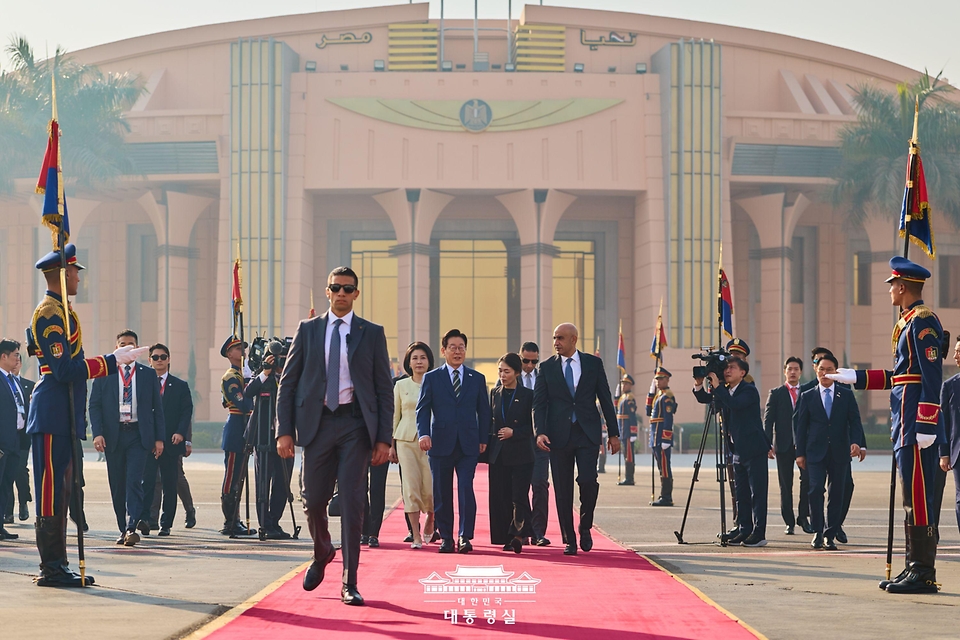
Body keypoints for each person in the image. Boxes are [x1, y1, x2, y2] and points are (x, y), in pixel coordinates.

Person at [277, 266, 393, 606]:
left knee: (354, 502)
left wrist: (383, 439)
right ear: (327, 292)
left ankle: (350, 582)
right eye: (336, 288)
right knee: (313, 500)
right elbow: (288, 384)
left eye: (348, 288)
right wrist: (284, 431)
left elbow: (384, 390)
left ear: (357, 294)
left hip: (356, 427)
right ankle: (323, 549)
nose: (341, 293)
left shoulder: (371, 333)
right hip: (318, 426)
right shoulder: (308, 330)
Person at [27, 244, 143, 586]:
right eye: (75, 271)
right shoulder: (49, 314)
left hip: (63, 413)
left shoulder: (62, 311)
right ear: (62, 275)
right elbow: (63, 369)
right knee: (50, 490)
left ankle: (59, 564)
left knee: (63, 491)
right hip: (51, 411)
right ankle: (50, 567)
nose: (79, 276)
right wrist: (111, 361)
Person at [832, 257, 946, 594]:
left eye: (892, 285)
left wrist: (927, 422)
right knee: (911, 497)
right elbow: (899, 377)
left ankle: (923, 570)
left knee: (920, 496)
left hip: (915, 424)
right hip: (904, 421)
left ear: (903, 287)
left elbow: (931, 376)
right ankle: (914, 565)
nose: (890, 291)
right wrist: (854, 377)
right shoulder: (907, 323)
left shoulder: (923, 323)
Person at [534, 323, 620, 556]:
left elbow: (604, 397)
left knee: (588, 481)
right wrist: (539, 431)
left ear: (574, 339)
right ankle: (569, 539)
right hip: (558, 436)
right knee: (562, 489)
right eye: (554, 338)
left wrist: (614, 433)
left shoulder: (593, 364)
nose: (556, 343)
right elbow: (539, 404)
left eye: (560, 338)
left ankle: (585, 524)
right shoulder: (546, 368)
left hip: (587, 433)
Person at [417, 329, 490, 555]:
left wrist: (483, 438)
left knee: (466, 489)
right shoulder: (432, 377)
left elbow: (484, 411)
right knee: (442, 491)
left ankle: (465, 536)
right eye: (453, 347)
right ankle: (447, 537)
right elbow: (423, 409)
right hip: (439, 443)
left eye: (461, 347)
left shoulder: (476, 378)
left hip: (469, 443)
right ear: (444, 350)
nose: (457, 352)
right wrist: (423, 434)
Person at [89, 330, 165, 546]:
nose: (127, 347)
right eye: (122, 344)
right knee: (117, 484)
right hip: (114, 436)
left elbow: (156, 409)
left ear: (138, 349)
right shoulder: (105, 374)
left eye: (131, 344)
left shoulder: (148, 374)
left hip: (138, 436)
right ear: (116, 349)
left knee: (134, 481)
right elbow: (94, 405)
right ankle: (122, 527)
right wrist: (98, 433)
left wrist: (159, 438)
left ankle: (132, 527)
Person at [694, 358, 772, 547]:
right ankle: (744, 529)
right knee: (742, 493)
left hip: (754, 449)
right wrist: (699, 384)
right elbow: (707, 400)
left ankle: (759, 533)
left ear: (742, 373)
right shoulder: (726, 390)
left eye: (732, 368)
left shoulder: (748, 390)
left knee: (757, 494)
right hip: (737, 450)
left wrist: (718, 385)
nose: (727, 370)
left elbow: (734, 404)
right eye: (726, 368)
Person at [795, 354, 865, 550]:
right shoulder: (807, 396)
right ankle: (817, 531)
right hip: (814, 452)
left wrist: (856, 443)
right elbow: (801, 427)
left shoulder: (846, 394)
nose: (825, 373)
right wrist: (799, 453)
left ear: (836, 372)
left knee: (837, 494)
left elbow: (855, 422)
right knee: (815, 489)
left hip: (840, 451)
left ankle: (830, 534)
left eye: (829, 370)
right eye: (821, 369)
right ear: (816, 371)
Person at [140, 343, 193, 537]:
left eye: (163, 357)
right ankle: (145, 520)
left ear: (169, 359)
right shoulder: (143, 384)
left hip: (172, 443)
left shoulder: (180, 386)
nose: (159, 360)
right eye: (155, 357)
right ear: (150, 361)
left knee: (170, 485)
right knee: (147, 483)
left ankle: (166, 523)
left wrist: (181, 433)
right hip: (148, 443)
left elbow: (186, 412)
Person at [389, 342, 435, 549]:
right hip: (405, 441)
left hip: (433, 442)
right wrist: (391, 445)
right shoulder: (400, 385)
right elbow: (394, 416)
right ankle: (415, 535)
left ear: (429, 361)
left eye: (423, 358)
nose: (419, 362)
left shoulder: (437, 382)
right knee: (410, 487)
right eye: (415, 358)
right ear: (409, 362)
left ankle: (431, 519)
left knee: (431, 486)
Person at [488, 353, 535, 553]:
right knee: (500, 496)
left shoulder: (528, 395)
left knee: (518, 496)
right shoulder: (494, 393)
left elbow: (533, 426)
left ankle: (518, 534)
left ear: (517, 373)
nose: (502, 375)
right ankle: (504, 536)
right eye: (500, 370)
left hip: (521, 453)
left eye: (507, 371)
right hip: (498, 453)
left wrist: (514, 432)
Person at [244, 353, 295, 540]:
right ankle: (264, 524)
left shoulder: (292, 376)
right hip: (263, 436)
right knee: (263, 482)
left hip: (286, 437)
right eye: (277, 359)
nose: (280, 362)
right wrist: (266, 371)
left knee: (283, 482)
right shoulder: (262, 376)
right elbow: (248, 393)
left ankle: (274, 521)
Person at [763, 356, 811, 535]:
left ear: (800, 372)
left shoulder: (808, 391)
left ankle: (803, 517)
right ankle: (789, 521)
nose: (792, 372)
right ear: (784, 371)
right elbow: (768, 421)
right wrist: (767, 443)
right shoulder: (776, 393)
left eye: (796, 369)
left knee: (806, 481)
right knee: (786, 485)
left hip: (804, 447)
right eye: (789, 369)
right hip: (783, 446)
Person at [218, 335, 257, 536]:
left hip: (245, 426)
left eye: (244, 347)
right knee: (232, 477)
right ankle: (230, 521)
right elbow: (243, 403)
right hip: (236, 427)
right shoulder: (231, 377)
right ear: (229, 353)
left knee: (240, 476)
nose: (243, 351)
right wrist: (251, 382)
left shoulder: (245, 373)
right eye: (238, 348)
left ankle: (237, 519)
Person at [520, 342, 551, 546]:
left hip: (540, 441)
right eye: (526, 361)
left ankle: (538, 532)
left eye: (534, 361)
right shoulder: (509, 377)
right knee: (520, 488)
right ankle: (522, 529)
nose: (530, 365)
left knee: (540, 485)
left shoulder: (544, 377)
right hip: (518, 442)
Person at [2, 345, 34, 525]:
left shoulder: (25, 385)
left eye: (18, 359)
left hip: (21, 438)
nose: (16, 362)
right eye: (14, 357)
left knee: (17, 473)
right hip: (5, 438)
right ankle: (6, 515)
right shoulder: (3, 381)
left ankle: (23, 502)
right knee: (5, 476)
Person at [0, 339, 24, 539]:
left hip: (15, 441)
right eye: (15, 354)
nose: (18, 358)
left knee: (6, 484)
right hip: (1, 443)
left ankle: (0, 525)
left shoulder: (13, 380)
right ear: (3, 356)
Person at [937, 337, 960, 534]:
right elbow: (943, 423)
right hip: (958, 452)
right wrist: (944, 453)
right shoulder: (950, 386)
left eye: (959, 351)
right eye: (954, 351)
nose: (955, 356)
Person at [647, 367, 676, 507]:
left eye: (660, 379)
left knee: (665, 467)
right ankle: (663, 495)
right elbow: (648, 412)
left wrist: (666, 438)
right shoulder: (658, 396)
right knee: (661, 467)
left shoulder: (667, 397)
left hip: (661, 437)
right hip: (655, 437)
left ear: (667, 380)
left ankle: (666, 496)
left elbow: (668, 418)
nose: (658, 382)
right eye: (656, 379)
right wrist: (651, 392)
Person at [616, 374, 639, 486]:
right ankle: (627, 477)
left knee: (629, 455)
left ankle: (629, 478)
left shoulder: (630, 398)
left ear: (630, 385)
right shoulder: (623, 397)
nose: (623, 386)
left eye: (625, 384)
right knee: (626, 454)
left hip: (628, 431)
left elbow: (632, 416)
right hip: (622, 430)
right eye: (622, 383)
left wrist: (633, 431)